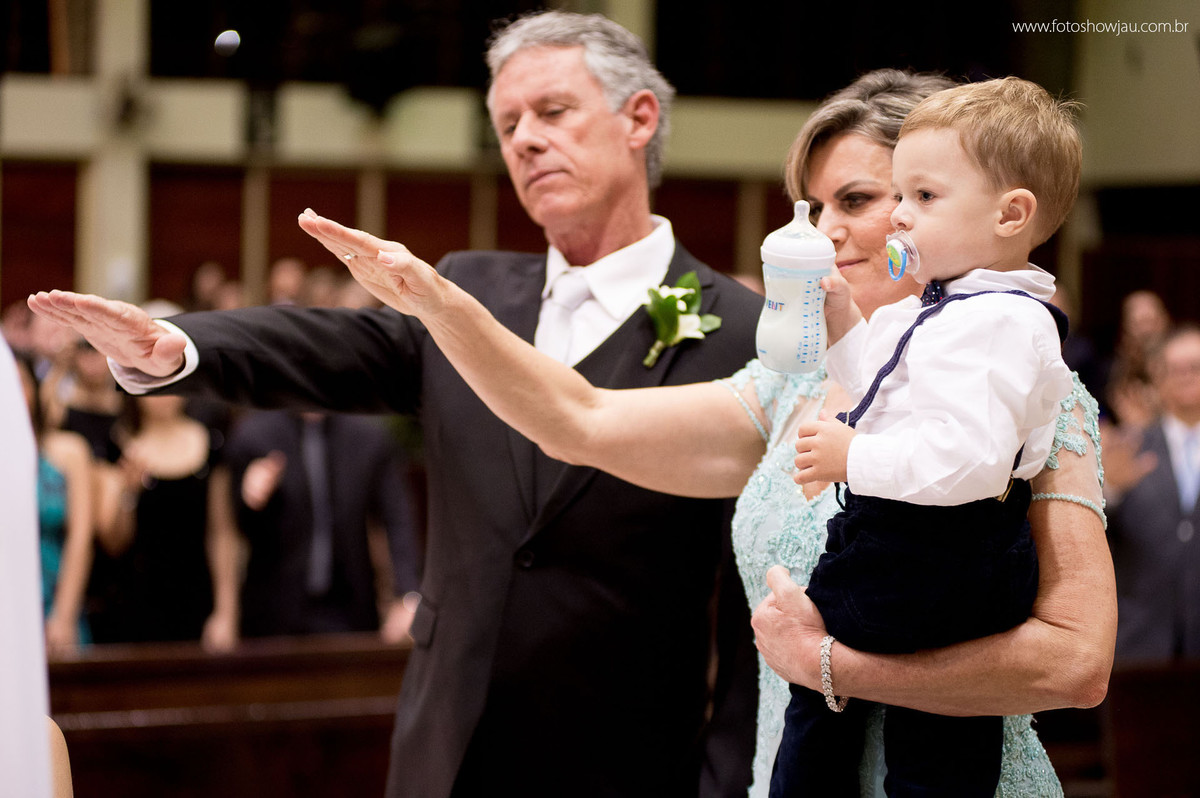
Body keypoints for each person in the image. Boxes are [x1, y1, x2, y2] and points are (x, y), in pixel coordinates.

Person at [284, 69, 1111, 795]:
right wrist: (439, 306)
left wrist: (834, 669)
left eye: (860, 200)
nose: (826, 229)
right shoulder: (792, 387)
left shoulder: (1033, 388)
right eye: (815, 205)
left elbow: (1076, 664)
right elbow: (581, 420)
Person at [29, 11, 764, 797]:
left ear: (639, 119)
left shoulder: (741, 331)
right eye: (507, 124)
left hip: (627, 760)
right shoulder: (470, 289)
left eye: (552, 111)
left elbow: (754, 609)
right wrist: (177, 345)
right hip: (443, 752)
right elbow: (331, 345)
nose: (524, 140)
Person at [771, 77, 1079, 798]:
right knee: (891, 727)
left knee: (907, 733)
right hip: (916, 542)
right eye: (900, 195)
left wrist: (853, 457)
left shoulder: (1000, 321)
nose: (902, 215)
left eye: (924, 196)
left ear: (1011, 214)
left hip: (944, 547)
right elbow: (883, 387)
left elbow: (968, 464)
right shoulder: (946, 306)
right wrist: (844, 323)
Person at [202, 408, 422, 648]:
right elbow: (233, 528)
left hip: (349, 609)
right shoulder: (254, 436)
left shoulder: (367, 437)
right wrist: (249, 497)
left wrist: (407, 595)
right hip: (273, 613)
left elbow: (398, 519)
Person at [1105, 324, 1200, 660]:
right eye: (1175, 369)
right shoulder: (1129, 446)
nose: (1186, 377)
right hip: (1141, 644)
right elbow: (1098, 534)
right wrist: (1109, 490)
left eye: (1195, 367)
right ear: (1157, 379)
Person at [15, 353, 96, 658]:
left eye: (20, 382)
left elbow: (81, 537)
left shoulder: (68, 451)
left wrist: (64, 615)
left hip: (57, 601)